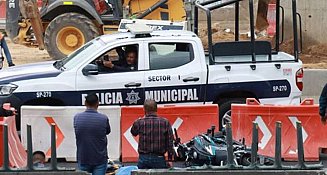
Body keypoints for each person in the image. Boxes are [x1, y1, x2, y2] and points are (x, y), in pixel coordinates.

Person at [74, 93, 111, 175]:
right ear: (98, 104)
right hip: (99, 158)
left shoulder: (77, 117)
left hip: (83, 157)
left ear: (85, 103)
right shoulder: (103, 118)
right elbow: (108, 131)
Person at [131, 99, 174, 169]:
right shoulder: (165, 122)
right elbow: (170, 141)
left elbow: (133, 133)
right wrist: (170, 159)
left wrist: (137, 121)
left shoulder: (139, 122)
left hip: (143, 158)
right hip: (159, 157)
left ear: (144, 109)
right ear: (156, 109)